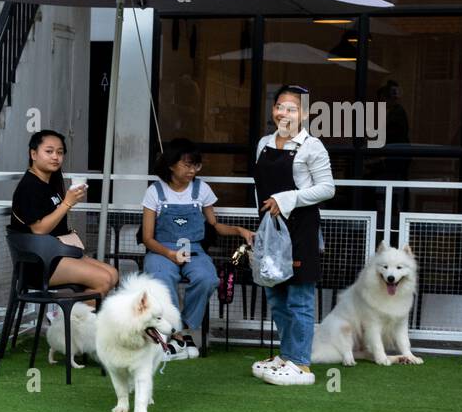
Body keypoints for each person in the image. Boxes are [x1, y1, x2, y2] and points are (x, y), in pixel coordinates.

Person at [140, 138, 254, 360]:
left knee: (207, 278)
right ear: (171, 164)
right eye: (187, 165)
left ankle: (185, 328)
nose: (192, 170)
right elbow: (147, 238)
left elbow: (215, 225)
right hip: (161, 248)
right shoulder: (154, 191)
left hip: (194, 248)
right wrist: (169, 254)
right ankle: (178, 334)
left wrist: (240, 230)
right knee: (161, 279)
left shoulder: (202, 189)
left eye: (196, 165)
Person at [252, 83, 335, 386]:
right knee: (276, 296)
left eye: (292, 108)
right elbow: (258, 186)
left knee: (299, 298)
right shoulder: (263, 143)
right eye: (279, 107)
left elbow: (327, 188)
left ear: (304, 113)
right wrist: (259, 227)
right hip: (270, 229)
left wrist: (287, 199)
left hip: (300, 229)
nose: (284, 113)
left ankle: (301, 363)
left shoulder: (312, 146)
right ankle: (287, 354)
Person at [9, 130, 118, 297]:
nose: (55, 157)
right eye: (49, 151)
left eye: (60, 152)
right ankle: (75, 321)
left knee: (113, 274)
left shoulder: (50, 183)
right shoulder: (29, 187)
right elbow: (39, 230)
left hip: (58, 252)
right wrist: (67, 202)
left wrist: (69, 201)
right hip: (40, 261)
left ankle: (74, 318)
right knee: (103, 279)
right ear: (33, 154)